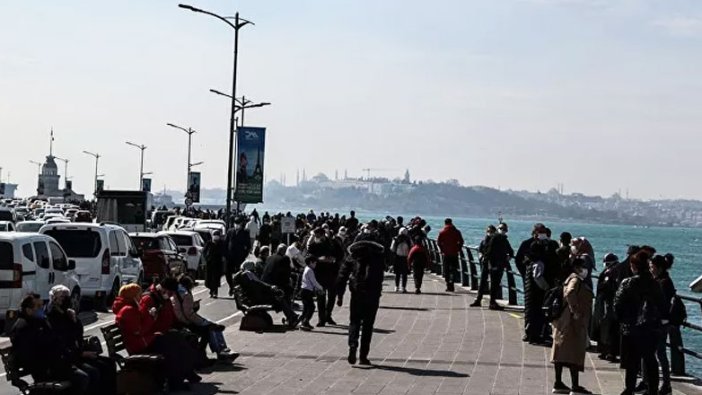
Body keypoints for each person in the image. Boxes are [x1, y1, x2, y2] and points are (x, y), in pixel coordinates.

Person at [113, 284, 201, 391]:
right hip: (140, 345)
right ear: (132, 295)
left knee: (175, 339)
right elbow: (139, 331)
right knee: (171, 348)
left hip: (143, 341)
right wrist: (151, 318)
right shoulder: (128, 310)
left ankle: (184, 374)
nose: (140, 297)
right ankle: (177, 380)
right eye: (138, 294)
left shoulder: (131, 308)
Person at [10, 293, 90, 394]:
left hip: (56, 363)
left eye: (42, 305)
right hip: (44, 370)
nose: (41, 308)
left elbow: (56, 341)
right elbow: (30, 355)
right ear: (28, 310)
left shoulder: (40, 321)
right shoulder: (23, 328)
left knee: (94, 370)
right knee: (82, 377)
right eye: (38, 306)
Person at [47, 285, 117, 395]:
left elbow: (78, 335)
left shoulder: (67, 314)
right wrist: (81, 353)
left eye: (67, 297)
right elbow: (61, 343)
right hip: (68, 358)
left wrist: (75, 321)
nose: (66, 300)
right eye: (62, 297)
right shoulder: (51, 317)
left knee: (108, 364)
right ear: (54, 298)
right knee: (93, 372)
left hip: (77, 354)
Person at [615, 251, 664, 395]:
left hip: (631, 328)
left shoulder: (628, 283)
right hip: (651, 328)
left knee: (632, 362)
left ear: (634, 266)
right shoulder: (655, 284)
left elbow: (617, 305)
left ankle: (629, 389)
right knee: (650, 359)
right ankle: (653, 390)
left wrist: (623, 320)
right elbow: (663, 306)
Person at [336, 237, 386, 365]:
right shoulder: (378, 257)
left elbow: (342, 276)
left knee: (354, 322)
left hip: (357, 294)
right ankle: (363, 356)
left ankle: (353, 345)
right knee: (368, 326)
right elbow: (381, 276)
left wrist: (340, 295)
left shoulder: (353, 256)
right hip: (373, 295)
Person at [551, 258, 594, 395]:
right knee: (574, 352)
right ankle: (575, 386)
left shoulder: (569, 278)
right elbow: (570, 293)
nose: (586, 270)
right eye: (584, 267)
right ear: (577, 267)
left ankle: (559, 383)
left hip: (564, 321)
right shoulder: (575, 280)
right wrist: (575, 310)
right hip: (572, 322)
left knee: (560, 352)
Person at [171, 276, 239, 361]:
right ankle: (220, 351)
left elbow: (184, 310)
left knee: (211, 326)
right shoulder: (185, 294)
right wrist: (203, 322)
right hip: (186, 323)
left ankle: (221, 350)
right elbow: (189, 314)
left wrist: (193, 306)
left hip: (182, 321)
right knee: (211, 327)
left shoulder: (177, 293)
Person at [640, 255, 675, 395]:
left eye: (652, 267)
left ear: (659, 268)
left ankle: (656, 383)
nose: (650, 269)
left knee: (656, 353)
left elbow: (661, 304)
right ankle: (655, 383)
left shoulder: (663, 283)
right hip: (656, 322)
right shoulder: (662, 281)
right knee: (657, 354)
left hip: (658, 323)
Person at [308, 227, 340, 326]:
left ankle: (328, 315)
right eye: (315, 235)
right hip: (320, 273)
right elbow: (309, 256)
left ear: (322, 234)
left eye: (317, 235)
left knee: (332, 296)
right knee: (321, 297)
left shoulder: (332, 242)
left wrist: (333, 259)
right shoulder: (314, 244)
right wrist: (319, 260)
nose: (316, 237)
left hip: (332, 273)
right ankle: (321, 319)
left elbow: (340, 254)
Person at [478, 222, 514, 310]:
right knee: (493, 284)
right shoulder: (496, 239)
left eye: (504, 229)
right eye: (502, 229)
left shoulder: (502, 239)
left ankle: (489, 301)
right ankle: (491, 303)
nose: (503, 231)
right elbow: (488, 251)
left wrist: (508, 258)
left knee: (493, 284)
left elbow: (511, 251)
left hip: (497, 264)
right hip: (494, 264)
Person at [594, 253, 621, 362]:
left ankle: (608, 351)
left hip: (608, 303)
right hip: (608, 303)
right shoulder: (616, 271)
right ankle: (607, 350)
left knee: (608, 328)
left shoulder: (610, 273)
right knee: (608, 328)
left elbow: (604, 287)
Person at [226, 217, 252, 297]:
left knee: (238, 274)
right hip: (230, 256)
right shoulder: (230, 231)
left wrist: (244, 255)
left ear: (241, 224)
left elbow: (248, 246)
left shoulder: (245, 233)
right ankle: (231, 286)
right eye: (235, 223)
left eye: (238, 223)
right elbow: (226, 242)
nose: (237, 225)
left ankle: (237, 288)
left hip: (239, 257)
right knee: (227, 273)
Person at [437, 218, 464, 292]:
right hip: (454, 253)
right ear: (451, 223)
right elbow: (461, 241)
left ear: (445, 223)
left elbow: (438, 242)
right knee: (453, 269)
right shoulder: (457, 231)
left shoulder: (442, 232)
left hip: (446, 254)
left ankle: (448, 285)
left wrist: (442, 249)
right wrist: (458, 249)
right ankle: (452, 283)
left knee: (446, 270)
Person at [471, 225, 496, 307]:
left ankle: (492, 301)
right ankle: (478, 299)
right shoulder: (484, 241)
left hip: (493, 264)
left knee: (493, 283)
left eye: (491, 231)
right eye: (488, 231)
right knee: (482, 282)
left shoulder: (496, 241)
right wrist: (481, 256)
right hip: (485, 264)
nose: (490, 233)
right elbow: (480, 250)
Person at [299, 255, 325, 331]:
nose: (315, 265)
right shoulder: (310, 270)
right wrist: (321, 288)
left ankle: (304, 322)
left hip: (304, 290)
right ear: (311, 262)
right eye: (314, 263)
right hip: (307, 291)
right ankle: (304, 322)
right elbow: (314, 282)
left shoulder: (306, 268)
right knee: (311, 307)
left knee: (306, 308)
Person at [204, 229, 225, 298]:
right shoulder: (209, 243)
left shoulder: (221, 243)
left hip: (218, 263)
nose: (216, 237)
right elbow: (204, 252)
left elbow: (224, 252)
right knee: (209, 278)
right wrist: (206, 259)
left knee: (215, 278)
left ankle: (215, 292)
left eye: (217, 235)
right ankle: (211, 290)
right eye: (214, 235)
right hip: (209, 263)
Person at [390, 227, 412, 293]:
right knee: (404, 274)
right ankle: (403, 287)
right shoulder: (408, 239)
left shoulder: (395, 239)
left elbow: (392, 249)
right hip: (406, 258)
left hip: (397, 257)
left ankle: (396, 287)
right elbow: (412, 246)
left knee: (397, 273)